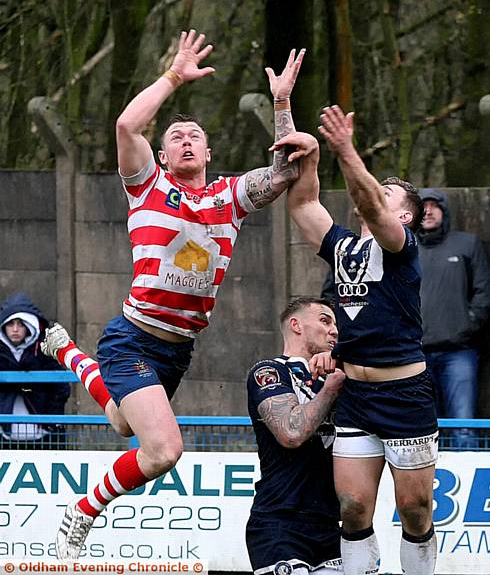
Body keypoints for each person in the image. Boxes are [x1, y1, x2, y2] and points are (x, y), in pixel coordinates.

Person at [41, 29, 313, 560]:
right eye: (175, 136)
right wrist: (172, 76)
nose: (186, 138)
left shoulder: (228, 197)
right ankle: (83, 511)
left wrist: (282, 102)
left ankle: (68, 352)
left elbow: (285, 169)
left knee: (123, 422)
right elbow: (125, 124)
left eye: (195, 134)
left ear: (209, 151)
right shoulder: (147, 185)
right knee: (163, 450)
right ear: (161, 157)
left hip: (177, 348)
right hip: (133, 340)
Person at [280, 106, 438, 575]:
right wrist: (308, 158)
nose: (374, 194)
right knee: (351, 508)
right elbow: (305, 207)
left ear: (406, 214)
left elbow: (370, 203)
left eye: (388, 192)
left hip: (404, 394)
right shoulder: (345, 247)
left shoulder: (402, 245)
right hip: (355, 395)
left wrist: (346, 149)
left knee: (414, 510)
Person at [246, 296, 344, 575]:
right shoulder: (270, 370)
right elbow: (291, 432)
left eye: (336, 324)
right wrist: (331, 390)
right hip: (280, 522)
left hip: (330, 526)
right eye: (325, 321)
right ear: (296, 325)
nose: (334, 330)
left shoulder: (342, 374)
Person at [418, 188, 490, 449]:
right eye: (421, 206)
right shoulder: (405, 249)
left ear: (444, 210)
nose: (427, 211)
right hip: (415, 356)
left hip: (459, 352)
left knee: (463, 426)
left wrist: (466, 324)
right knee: (423, 430)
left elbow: (484, 291)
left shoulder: (467, 244)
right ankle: (426, 487)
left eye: (433, 205)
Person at [0, 293, 70, 449]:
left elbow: (61, 388)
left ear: (29, 326)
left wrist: (52, 420)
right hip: (5, 435)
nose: (15, 329)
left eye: (21, 324)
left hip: (42, 436)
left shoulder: (44, 352)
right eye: (11, 324)